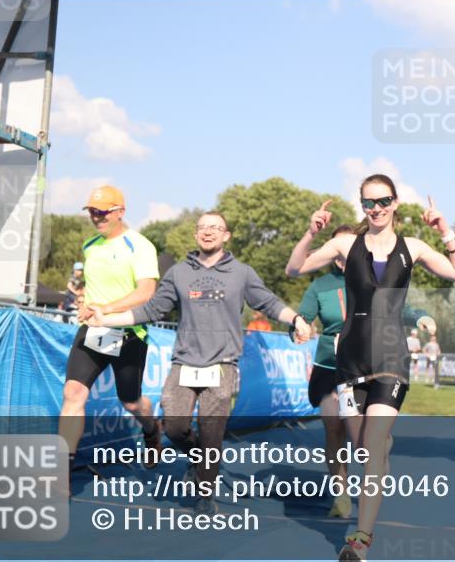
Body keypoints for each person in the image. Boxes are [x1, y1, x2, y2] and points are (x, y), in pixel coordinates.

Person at [286, 174, 455, 562]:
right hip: (349, 362)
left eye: (383, 201)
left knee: (370, 447)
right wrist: (309, 231)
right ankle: (378, 456)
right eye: (368, 203)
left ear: (395, 203)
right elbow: (293, 267)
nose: (376, 209)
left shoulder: (414, 247)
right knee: (365, 449)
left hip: (391, 360)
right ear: (361, 205)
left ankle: (360, 541)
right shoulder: (344, 245)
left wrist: (446, 232)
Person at [90, 210, 312, 515]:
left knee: (211, 430)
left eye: (215, 227)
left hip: (222, 363)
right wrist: (107, 317)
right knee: (175, 427)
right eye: (203, 227)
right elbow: (151, 310)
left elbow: (269, 303)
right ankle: (198, 460)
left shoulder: (242, 273)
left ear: (226, 235)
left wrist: (297, 318)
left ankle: (205, 491)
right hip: (185, 362)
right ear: (196, 235)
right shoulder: (179, 273)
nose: (208, 232)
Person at [294, 223, 436, 519]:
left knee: (362, 443)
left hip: (369, 365)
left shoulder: (375, 278)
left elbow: (401, 308)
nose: (340, 256)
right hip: (330, 369)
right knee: (333, 427)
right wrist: (299, 325)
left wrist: (421, 316)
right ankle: (341, 494)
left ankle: (379, 445)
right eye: (335, 250)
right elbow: (302, 315)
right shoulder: (320, 286)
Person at [58, 185, 160, 491]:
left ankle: (152, 427)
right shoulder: (91, 245)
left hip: (128, 333)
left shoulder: (140, 246)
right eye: (91, 211)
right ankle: (63, 471)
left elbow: (146, 292)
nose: (96, 217)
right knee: (73, 393)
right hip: (94, 331)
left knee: (130, 402)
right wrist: (87, 303)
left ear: (120, 212)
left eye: (102, 212)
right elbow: (94, 287)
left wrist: (107, 308)